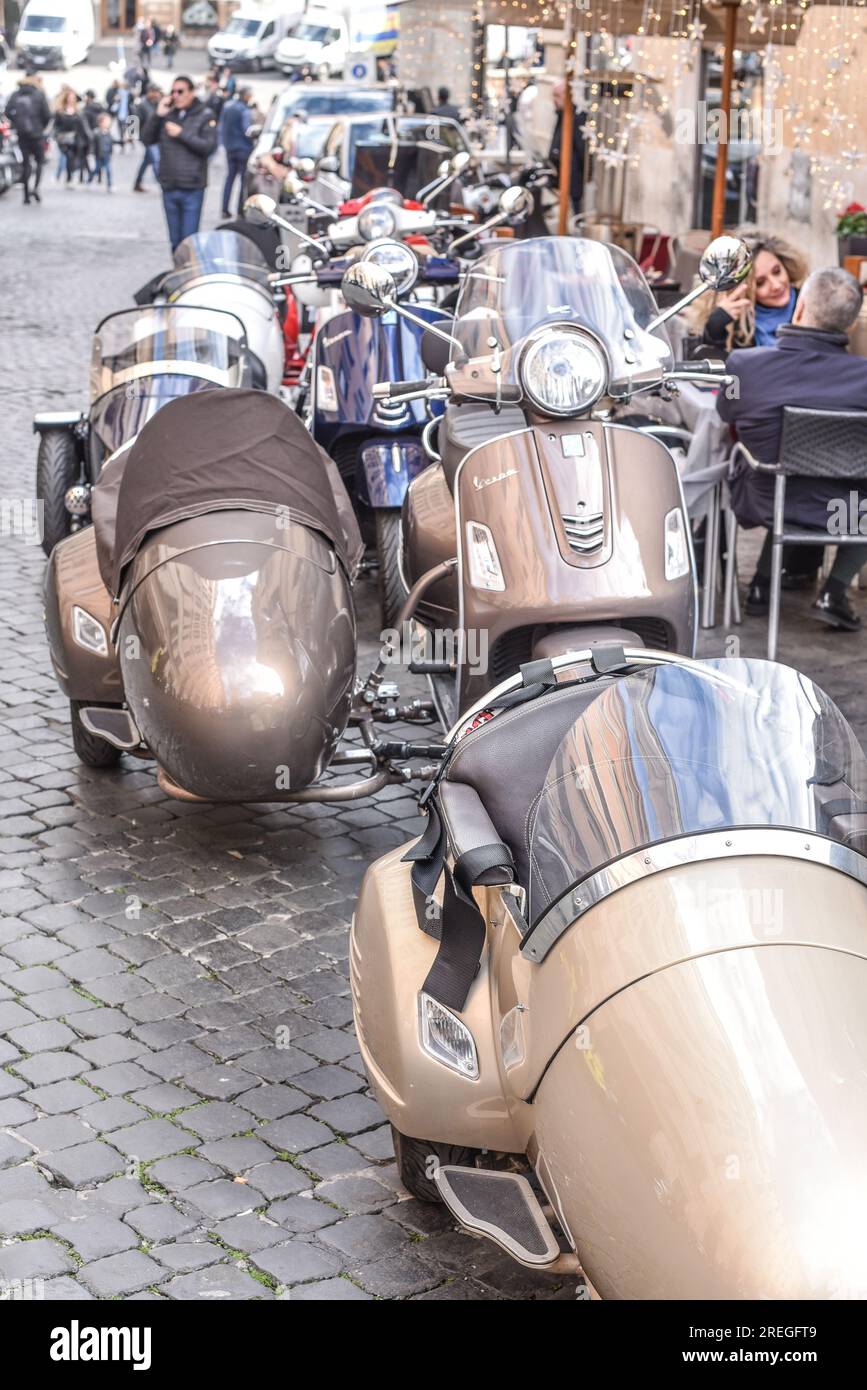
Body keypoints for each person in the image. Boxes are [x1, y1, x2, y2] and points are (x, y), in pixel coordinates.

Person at [718, 267, 867, 632]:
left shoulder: (744, 366)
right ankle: (834, 590)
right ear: (849, 326)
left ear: (799, 309)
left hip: (764, 497)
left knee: (784, 474)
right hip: (844, 510)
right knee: (826, 487)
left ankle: (761, 587)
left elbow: (725, 412)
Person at [694, 233, 807, 354]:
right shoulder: (738, 324)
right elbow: (718, 362)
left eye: (777, 271)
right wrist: (715, 326)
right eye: (760, 283)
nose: (776, 285)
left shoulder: (809, 304)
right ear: (744, 291)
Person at [141, 74, 219, 251]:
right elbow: (146, 139)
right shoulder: (167, 115)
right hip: (169, 185)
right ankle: (179, 274)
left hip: (192, 187)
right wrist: (157, 115)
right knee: (175, 241)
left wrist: (181, 134)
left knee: (189, 241)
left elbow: (208, 147)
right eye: (173, 91)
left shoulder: (206, 115)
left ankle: (189, 276)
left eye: (180, 91)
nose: (176, 95)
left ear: (191, 93)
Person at [5, 73, 50, 204]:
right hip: (37, 134)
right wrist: (40, 127)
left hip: (22, 134)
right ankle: (35, 188)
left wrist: (17, 124)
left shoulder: (16, 94)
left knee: (25, 164)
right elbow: (47, 115)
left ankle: (25, 194)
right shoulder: (39, 94)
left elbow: (8, 112)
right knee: (40, 162)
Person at [549, 77, 586, 217]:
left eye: (557, 95)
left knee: (574, 215)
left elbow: (582, 150)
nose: (555, 99)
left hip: (573, 180)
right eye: (554, 95)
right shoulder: (561, 115)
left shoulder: (577, 117)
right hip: (560, 178)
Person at [220, 85, 254, 218]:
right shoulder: (244, 110)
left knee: (230, 178)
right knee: (242, 181)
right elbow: (247, 130)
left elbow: (222, 126)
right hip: (243, 148)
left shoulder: (228, 106)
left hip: (230, 147)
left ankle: (224, 209)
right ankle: (240, 210)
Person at [52, 90, 88, 185]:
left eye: (73, 98)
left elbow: (83, 126)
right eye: (69, 97)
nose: (71, 100)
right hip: (63, 138)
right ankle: (66, 176)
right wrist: (56, 136)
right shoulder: (60, 111)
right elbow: (55, 125)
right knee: (66, 157)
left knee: (72, 158)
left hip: (75, 139)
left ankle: (70, 176)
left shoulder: (78, 112)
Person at [133, 81, 161, 191]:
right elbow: (134, 119)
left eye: (157, 91)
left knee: (147, 161)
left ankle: (137, 183)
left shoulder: (158, 104)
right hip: (147, 138)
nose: (156, 94)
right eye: (154, 91)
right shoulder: (142, 105)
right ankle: (162, 183)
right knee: (156, 160)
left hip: (156, 137)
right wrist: (131, 136)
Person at [87, 112, 113, 191]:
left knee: (108, 170)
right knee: (96, 170)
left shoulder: (109, 133)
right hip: (98, 156)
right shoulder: (96, 133)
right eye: (106, 122)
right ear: (101, 123)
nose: (108, 123)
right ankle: (89, 180)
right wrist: (91, 154)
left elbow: (111, 143)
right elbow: (93, 145)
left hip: (106, 155)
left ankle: (110, 185)